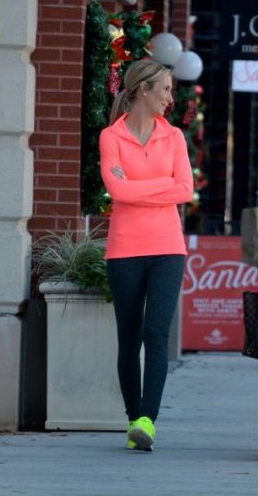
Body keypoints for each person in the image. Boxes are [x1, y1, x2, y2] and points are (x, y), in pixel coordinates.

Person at [99, 59, 193, 452]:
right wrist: (161, 185)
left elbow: (185, 189)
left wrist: (139, 186)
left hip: (168, 248)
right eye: (166, 89)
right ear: (142, 90)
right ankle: (132, 417)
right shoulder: (111, 137)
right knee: (129, 338)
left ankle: (146, 421)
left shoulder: (174, 139)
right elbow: (116, 193)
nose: (171, 98)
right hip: (124, 250)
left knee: (156, 334)